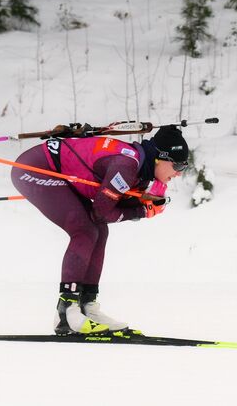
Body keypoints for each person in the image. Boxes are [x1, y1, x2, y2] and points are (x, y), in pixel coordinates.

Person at [13, 125, 191, 334]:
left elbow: (109, 207)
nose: (179, 174)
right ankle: (66, 312)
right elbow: (101, 212)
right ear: (160, 158)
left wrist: (143, 205)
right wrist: (143, 211)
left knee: (98, 230)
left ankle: (87, 306)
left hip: (58, 169)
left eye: (184, 168)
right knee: (85, 229)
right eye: (178, 166)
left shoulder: (138, 168)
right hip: (34, 167)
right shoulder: (126, 166)